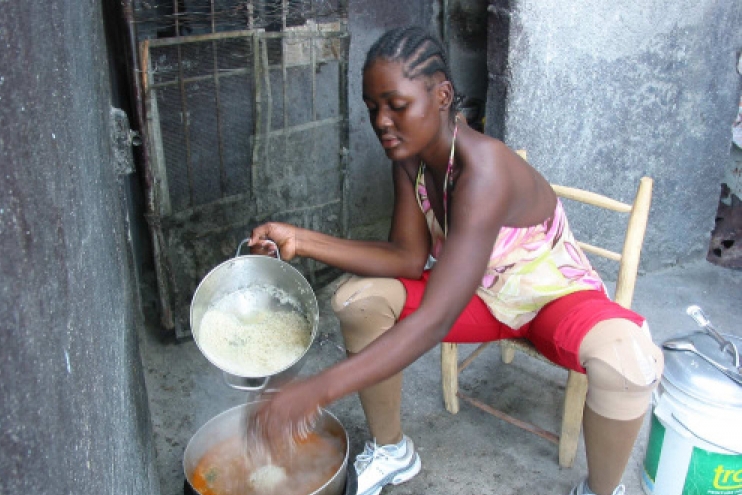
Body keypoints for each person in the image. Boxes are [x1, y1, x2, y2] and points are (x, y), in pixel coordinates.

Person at [248, 26, 664, 495]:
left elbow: (435, 318)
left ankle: (603, 491)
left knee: (628, 361)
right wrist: (300, 241)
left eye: (396, 105)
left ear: (442, 94)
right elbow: (407, 258)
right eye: (372, 108)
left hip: (553, 300)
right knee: (358, 300)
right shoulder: (412, 161)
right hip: (481, 298)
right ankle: (393, 450)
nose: (382, 121)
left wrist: (317, 390)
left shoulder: (485, 170)